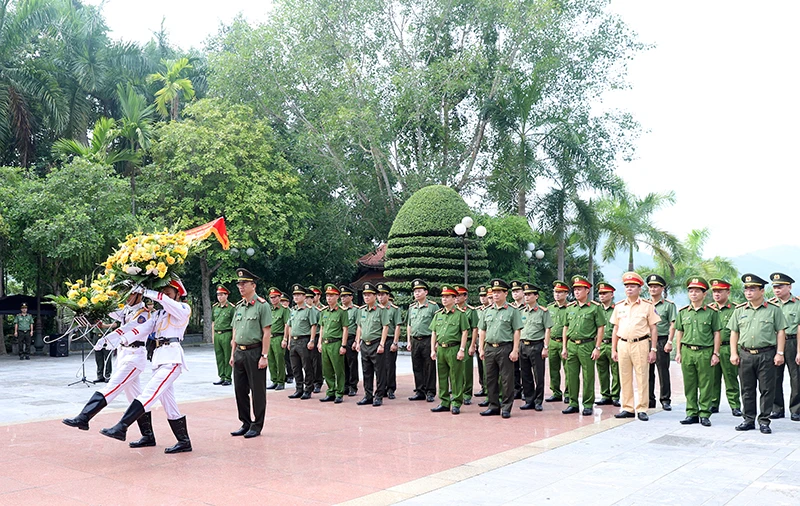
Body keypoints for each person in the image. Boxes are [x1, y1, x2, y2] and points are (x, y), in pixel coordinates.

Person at [99, 279, 193, 454]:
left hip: (172, 359)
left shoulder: (183, 310)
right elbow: (139, 329)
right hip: (158, 360)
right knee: (169, 403)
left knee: (148, 394)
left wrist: (149, 292)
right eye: (163, 292)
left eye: (169, 292)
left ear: (178, 295)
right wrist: (119, 340)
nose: (165, 295)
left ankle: (122, 426)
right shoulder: (158, 315)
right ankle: (184, 441)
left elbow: (167, 302)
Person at [63, 292, 157, 448]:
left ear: (139, 295)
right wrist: (90, 304)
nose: (126, 297)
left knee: (111, 387)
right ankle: (148, 436)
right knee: (137, 398)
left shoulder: (144, 314)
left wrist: (105, 340)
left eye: (130, 293)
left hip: (134, 357)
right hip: (123, 355)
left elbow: (127, 329)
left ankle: (84, 417)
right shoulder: (127, 309)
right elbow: (109, 311)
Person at [729, 273, 789, 433]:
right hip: (746, 354)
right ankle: (748, 419)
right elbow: (734, 332)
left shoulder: (773, 310)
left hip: (766, 354)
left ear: (762, 291)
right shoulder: (739, 310)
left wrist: (780, 353)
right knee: (747, 389)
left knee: (767, 389)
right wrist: (733, 353)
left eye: (753, 289)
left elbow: (781, 332)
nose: (748, 292)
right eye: (746, 289)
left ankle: (764, 421)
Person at [226, 269, 272, 439]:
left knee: (257, 391)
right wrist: (232, 354)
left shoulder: (262, 305)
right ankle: (245, 422)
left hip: (255, 352)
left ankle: (257, 424)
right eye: (239, 284)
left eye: (244, 283)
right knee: (240, 390)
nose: (241, 287)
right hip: (239, 353)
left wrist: (264, 356)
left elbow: (267, 332)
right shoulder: (239, 307)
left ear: (253, 285)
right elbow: (235, 332)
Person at [610, 272, 660, 421]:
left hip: (641, 343)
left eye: (632, 286)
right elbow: (615, 329)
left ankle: (642, 408)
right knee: (624, 377)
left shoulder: (647, 306)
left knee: (642, 377)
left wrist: (653, 349)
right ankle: (627, 407)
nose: (629, 289)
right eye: (627, 286)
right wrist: (614, 349)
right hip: (623, 344)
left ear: (639, 289)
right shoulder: (619, 306)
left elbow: (653, 328)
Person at [675, 277, 721, 427]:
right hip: (687, 350)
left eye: (697, 291)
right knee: (689, 384)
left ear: (704, 293)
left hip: (705, 352)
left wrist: (716, 353)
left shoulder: (711, 313)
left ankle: (704, 414)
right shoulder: (683, 312)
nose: (693, 293)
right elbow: (679, 332)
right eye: (690, 291)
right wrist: (679, 352)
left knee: (706, 384)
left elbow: (716, 333)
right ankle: (691, 412)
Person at [478, 279, 523, 419]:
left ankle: (506, 407)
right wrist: (481, 347)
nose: (495, 295)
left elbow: (517, 331)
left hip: (505, 348)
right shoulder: (487, 311)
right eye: (494, 292)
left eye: (499, 292)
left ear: (505, 293)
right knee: (490, 378)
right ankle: (493, 406)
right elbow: (482, 330)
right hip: (490, 347)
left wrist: (515, 350)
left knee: (506, 379)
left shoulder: (512, 311)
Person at [562, 275, 605, 416]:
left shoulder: (594, 308)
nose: (576, 292)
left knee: (588, 376)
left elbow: (600, 327)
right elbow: (565, 327)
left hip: (587, 345)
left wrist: (597, 347)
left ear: (587, 290)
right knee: (571, 376)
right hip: (572, 345)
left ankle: (587, 404)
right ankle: (573, 403)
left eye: (580, 289)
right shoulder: (570, 308)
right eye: (575, 289)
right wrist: (564, 347)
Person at [430, 285, 470, 415]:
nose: (444, 299)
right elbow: (434, 333)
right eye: (443, 297)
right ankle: (444, 402)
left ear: (454, 298)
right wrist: (433, 349)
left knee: (455, 376)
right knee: (442, 376)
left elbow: (465, 332)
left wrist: (462, 349)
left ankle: (456, 402)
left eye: (447, 297)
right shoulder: (438, 315)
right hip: (441, 348)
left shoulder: (460, 314)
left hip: (454, 348)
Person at [768, 273, 800, 421]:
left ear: (789, 287)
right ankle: (777, 408)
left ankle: (796, 409)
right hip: (774, 343)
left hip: (793, 341)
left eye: (780, 287)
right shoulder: (770, 305)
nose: (777, 290)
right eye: (775, 287)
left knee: (796, 377)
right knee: (774, 376)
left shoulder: (798, 304)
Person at [708, 279, 742, 416]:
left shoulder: (736, 309)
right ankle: (713, 404)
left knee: (731, 377)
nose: (716, 294)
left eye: (720, 291)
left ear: (728, 292)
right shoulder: (709, 309)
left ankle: (735, 405)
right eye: (714, 291)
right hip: (712, 349)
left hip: (729, 348)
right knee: (713, 378)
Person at [518, 283, 552, 411]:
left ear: (536, 296)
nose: (526, 297)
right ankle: (529, 400)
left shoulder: (543, 312)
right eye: (525, 294)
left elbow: (548, 329)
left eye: (529, 294)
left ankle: (538, 401)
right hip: (523, 345)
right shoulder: (521, 312)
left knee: (538, 375)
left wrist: (545, 347)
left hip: (536, 345)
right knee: (525, 375)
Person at [356, 282, 390, 406]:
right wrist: (357, 341)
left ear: (375, 296)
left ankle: (379, 396)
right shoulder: (361, 310)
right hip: (365, 344)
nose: (366, 297)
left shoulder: (381, 310)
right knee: (366, 371)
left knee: (379, 371)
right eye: (365, 295)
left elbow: (385, 327)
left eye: (369, 295)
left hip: (376, 344)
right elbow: (359, 327)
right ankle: (368, 395)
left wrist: (382, 344)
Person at [647, 274, 676, 410]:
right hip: (645, 341)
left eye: (656, 287)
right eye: (651, 286)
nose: (653, 289)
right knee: (647, 371)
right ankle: (648, 399)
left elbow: (672, 324)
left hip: (661, 340)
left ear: (662, 288)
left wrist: (669, 341)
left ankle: (665, 399)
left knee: (663, 371)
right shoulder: (644, 304)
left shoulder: (668, 305)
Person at [406, 279, 439, 402]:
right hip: (415, 340)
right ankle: (419, 390)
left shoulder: (432, 306)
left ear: (426, 292)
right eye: (415, 291)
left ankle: (430, 391)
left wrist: (436, 342)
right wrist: (409, 341)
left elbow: (437, 325)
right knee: (417, 366)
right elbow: (409, 325)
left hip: (427, 339)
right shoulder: (412, 307)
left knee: (429, 366)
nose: (417, 294)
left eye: (419, 291)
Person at [284, 284, 318, 400]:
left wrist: (312, 340)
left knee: (307, 366)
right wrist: (288, 341)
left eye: (299, 295)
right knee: (295, 367)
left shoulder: (309, 310)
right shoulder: (293, 311)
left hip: (304, 340)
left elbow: (313, 325)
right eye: (294, 295)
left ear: (304, 297)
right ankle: (299, 389)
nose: (296, 297)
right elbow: (289, 326)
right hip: (293, 341)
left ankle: (308, 389)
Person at [317, 284, 349, 403]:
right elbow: (322, 327)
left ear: (337, 297)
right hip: (325, 343)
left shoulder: (342, 311)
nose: (329, 298)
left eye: (332, 296)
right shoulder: (324, 311)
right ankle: (330, 391)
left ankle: (339, 392)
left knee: (338, 369)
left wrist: (343, 345)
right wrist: (319, 342)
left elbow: (345, 328)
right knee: (327, 370)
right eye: (327, 296)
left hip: (336, 343)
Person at [595, 282, 620, 407]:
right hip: (600, 344)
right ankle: (605, 395)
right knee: (602, 370)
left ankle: (615, 395)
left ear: (612, 294)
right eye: (600, 293)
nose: (602, 296)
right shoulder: (596, 309)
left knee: (616, 371)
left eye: (605, 293)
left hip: (613, 344)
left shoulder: (617, 309)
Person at [546, 280, 571, 404]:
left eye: (560, 292)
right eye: (555, 292)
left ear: (566, 293)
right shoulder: (549, 308)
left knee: (568, 369)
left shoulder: (571, 308)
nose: (557, 294)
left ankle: (568, 393)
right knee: (553, 368)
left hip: (565, 342)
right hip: (552, 342)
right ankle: (556, 392)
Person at [454, 285, 479, 405]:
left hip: (467, 341)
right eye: (455, 296)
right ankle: (456, 391)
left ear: (465, 296)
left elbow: (475, 329)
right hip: (454, 343)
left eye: (459, 295)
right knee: (454, 370)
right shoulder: (452, 310)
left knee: (466, 370)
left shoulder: (471, 311)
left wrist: (472, 345)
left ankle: (467, 393)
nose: (457, 298)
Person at [377, 283, 402, 399]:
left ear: (388, 295)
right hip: (378, 340)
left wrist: (395, 342)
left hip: (389, 339)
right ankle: (380, 388)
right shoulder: (375, 309)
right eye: (378, 295)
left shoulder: (394, 309)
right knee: (379, 366)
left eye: (382, 295)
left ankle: (391, 388)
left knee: (390, 365)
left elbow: (397, 326)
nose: (380, 297)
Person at [266, 287, 289, 390]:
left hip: (278, 337)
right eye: (271, 297)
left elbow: (287, 325)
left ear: (280, 298)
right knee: (270, 359)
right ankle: (274, 380)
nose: (273, 299)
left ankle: (281, 381)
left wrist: (285, 339)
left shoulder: (284, 310)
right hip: (269, 337)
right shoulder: (268, 310)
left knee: (279, 360)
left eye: (275, 297)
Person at [212, 285, 235, 386]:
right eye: (218, 295)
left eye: (222, 295)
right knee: (219, 356)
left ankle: (228, 377)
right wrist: (213, 336)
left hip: (227, 333)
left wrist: (233, 338)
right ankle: (221, 376)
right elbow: (213, 322)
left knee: (227, 356)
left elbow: (234, 324)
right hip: (217, 333)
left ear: (226, 295)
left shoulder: (231, 308)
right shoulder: (215, 307)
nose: (220, 297)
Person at [340, 285, 360, 397]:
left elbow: (358, 327)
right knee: (342, 364)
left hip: (351, 339)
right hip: (341, 339)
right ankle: (345, 385)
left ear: (351, 297)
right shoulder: (338, 310)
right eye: (341, 296)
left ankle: (353, 386)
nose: (343, 298)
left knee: (352, 364)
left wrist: (356, 341)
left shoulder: (356, 310)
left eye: (345, 296)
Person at [509, 280, 525, 399]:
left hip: (525, 341)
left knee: (525, 367)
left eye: (518, 291)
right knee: (513, 368)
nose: (515, 293)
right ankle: (516, 389)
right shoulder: (509, 308)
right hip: (513, 341)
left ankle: (526, 389)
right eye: (513, 291)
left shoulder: (529, 306)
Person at [473, 285, 489, 397]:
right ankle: (483, 386)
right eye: (481, 296)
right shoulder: (477, 310)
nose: (483, 298)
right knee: (480, 366)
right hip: (480, 340)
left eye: (485, 296)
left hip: (490, 341)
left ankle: (490, 390)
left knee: (489, 367)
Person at [308, 285, 324, 393]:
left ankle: (318, 382)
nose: (314, 297)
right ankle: (310, 381)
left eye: (316, 295)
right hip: (306, 336)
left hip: (318, 335)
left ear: (319, 296)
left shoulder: (323, 309)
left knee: (317, 361)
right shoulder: (307, 308)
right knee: (308, 361)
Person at [90, 318, 113, 382]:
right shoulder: (95, 315)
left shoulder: (109, 313)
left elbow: (115, 324)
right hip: (96, 335)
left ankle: (107, 375)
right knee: (98, 357)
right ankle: (100, 376)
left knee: (107, 356)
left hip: (106, 334)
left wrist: (104, 326)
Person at [280, 292, 294, 385]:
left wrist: (287, 338)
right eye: (281, 301)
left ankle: (290, 375)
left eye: (284, 301)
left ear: (288, 302)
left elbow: (289, 325)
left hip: (288, 335)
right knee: (282, 358)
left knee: (288, 357)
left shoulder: (289, 311)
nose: (282, 303)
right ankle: (282, 375)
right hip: (279, 336)